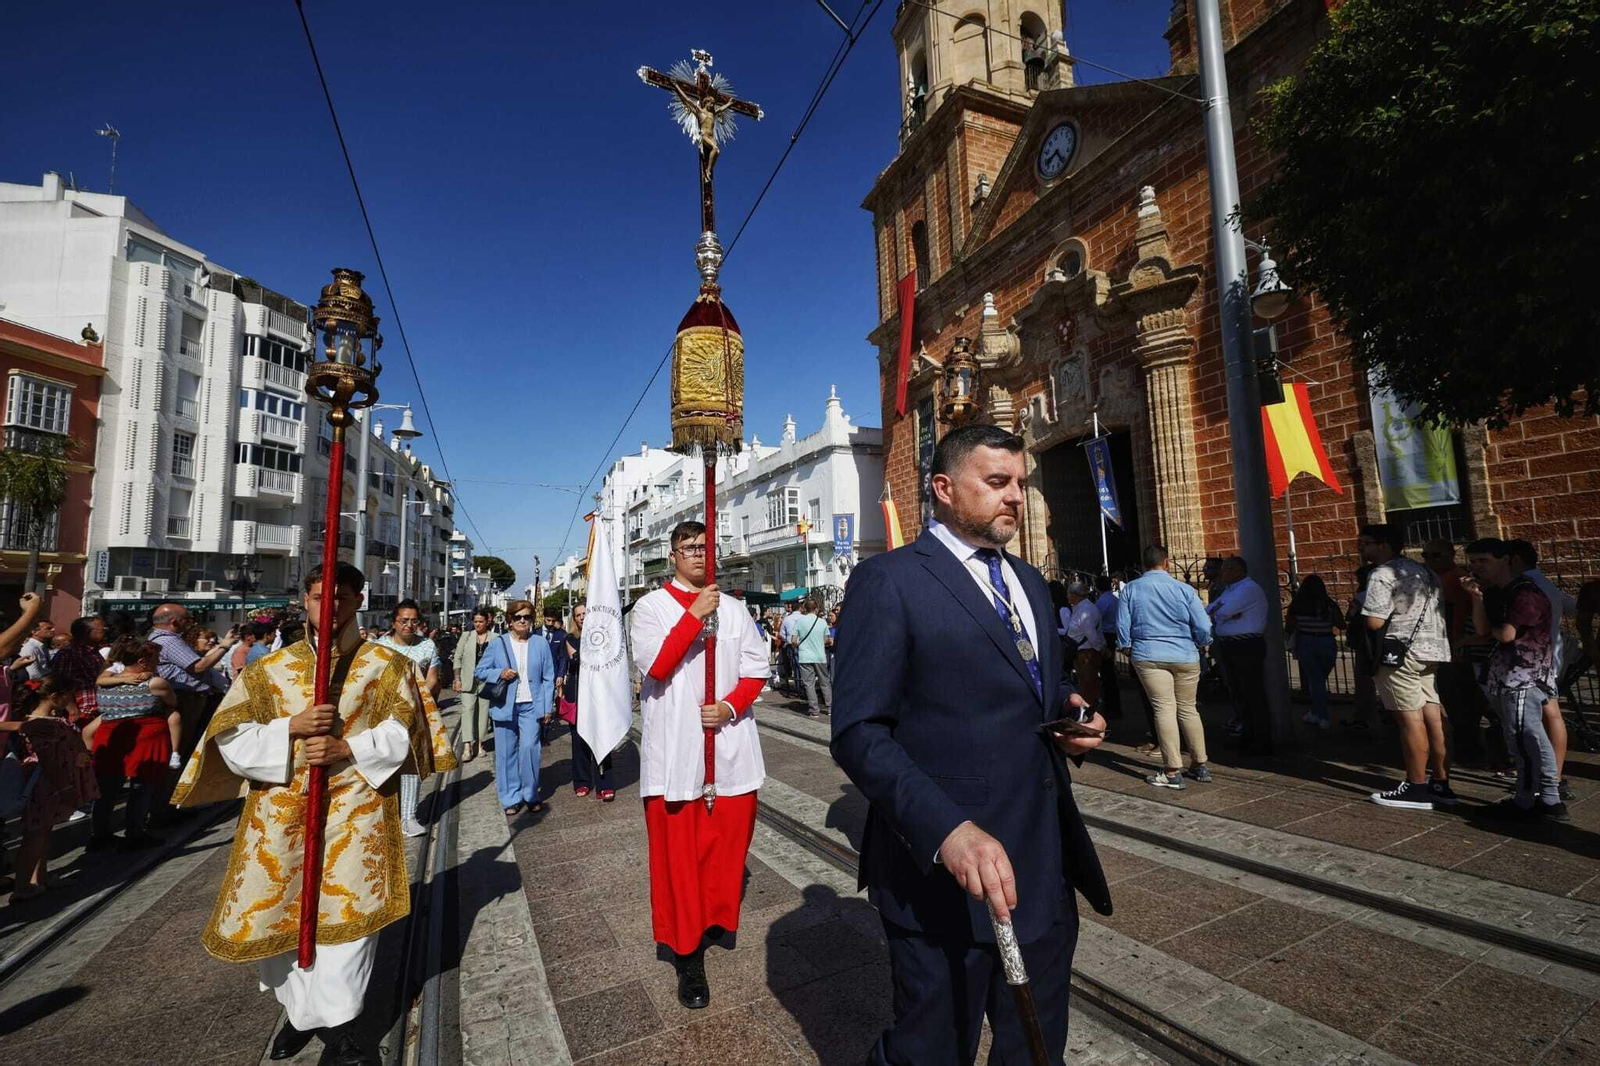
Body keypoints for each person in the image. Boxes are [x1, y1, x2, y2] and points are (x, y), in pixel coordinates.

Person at [831, 424, 1111, 1065]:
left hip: (1040, 866)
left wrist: (1069, 709)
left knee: (1036, 1052)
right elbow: (858, 733)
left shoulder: (1031, 582)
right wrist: (947, 830)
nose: (1014, 496)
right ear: (944, 489)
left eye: (1020, 483)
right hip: (942, 877)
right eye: (996, 482)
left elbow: (1032, 679)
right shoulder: (890, 582)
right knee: (930, 1051)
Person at [171, 562, 452, 1066]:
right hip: (281, 813)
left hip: (357, 811)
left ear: (360, 600)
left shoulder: (387, 666)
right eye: (322, 596)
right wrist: (290, 728)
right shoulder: (268, 671)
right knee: (285, 917)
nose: (333, 605)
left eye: (344, 596)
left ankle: (342, 1029)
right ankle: (302, 1017)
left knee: (351, 924)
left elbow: (403, 731)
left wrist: (348, 747)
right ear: (306, 600)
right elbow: (228, 739)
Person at [629, 520, 769, 1010]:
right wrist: (693, 615)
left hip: (728, 748)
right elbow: (658, 665)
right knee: (679, 862)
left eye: (705, 547)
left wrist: (730, 706)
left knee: (725, 852)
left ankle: (713, 920)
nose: (697, 555)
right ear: (672, 555)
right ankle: (687, 956)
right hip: (677, 754)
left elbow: (756, 666)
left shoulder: (734, 609)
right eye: (688, 547)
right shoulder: (648, 608)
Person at [1464, 539, 1567, 822]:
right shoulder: (1497, 592)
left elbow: (1507, 634)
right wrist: (1476, 598)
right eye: (1472, 561)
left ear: (1505, 560)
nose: (1475, 567)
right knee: (1518, 737)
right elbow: (1485, 630)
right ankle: (1530, 798)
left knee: (1528, 737)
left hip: (1525, 676)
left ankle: (1548, 799)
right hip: (1506, 676)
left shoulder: (1525, 593)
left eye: (1483, 560)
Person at [1360, 523, 1455, 811]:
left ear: (1384, 545)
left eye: (1366, 543)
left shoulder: (1382, 574)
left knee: (1409, 720)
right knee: (1433, 717)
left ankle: (1415, 787)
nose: (1361, 549)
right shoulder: (1425, 571)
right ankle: (1441, 782)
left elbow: (1375, 621)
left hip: (1400, 653)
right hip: (1433, 649)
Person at [1118, 545, 1214, 788]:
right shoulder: (1184, 589)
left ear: (1143, 564)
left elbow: (1122, 625)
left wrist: (1125, 646)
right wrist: (1202, 643)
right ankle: (1200, 764)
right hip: (1184, 653)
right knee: (1188, 709)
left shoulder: (1131, 589)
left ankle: (1172, 770)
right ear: (1168, 562)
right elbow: (1203, 625)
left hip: (1148, 652)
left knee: (1163, 709)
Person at [2, 677, 97, 900]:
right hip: (46, 785)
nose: (71, 701)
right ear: (54, 697)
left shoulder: (46, 720)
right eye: (68, 696)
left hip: (50, 784)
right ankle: (22, 886)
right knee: (35, 836)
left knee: (43, 833)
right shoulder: (41, 724)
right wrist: (65, 787)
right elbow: (48, 761)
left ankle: (39, 878)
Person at [84, 638, 180, 848]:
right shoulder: (155, 684)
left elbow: (103, 682)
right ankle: (134, 832)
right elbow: (172, 702)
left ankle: (99, 834)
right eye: (155, 658)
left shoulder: (106, 682)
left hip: (111, 734)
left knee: (107, 787)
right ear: (142, 661)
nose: (158, 662)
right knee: (141, 785)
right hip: (145, 735)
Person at [1509, 539, 1577, 800]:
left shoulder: (1524, 586)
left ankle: (1546, 780)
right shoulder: (1546, 584)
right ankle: (1554, 776)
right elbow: (1573, 607)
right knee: (1552, 714)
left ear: (1513, 560)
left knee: (1539, 720)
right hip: (1551, 657)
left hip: (1534, 660)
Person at [475, 600, 555, 816]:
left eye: (527, 617)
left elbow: (548, 677)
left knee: (530, 748)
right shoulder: (497, 643)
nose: (522, 621)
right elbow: (480, 671)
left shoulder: (540, 643)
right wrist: (499, 673)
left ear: (531, 620)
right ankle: (511, 797)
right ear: (510, 620)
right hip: (504, 705)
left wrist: (547, 707)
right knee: (505, 753)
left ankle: (530, 794)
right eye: (518, 617)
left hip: (531, 705)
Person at [375, 600, 441, 838]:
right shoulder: (379, 647)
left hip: (416, 712)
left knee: (412, 763)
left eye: (414, 621)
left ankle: (409, 817)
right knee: (386, 762)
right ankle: (386, 813)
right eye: (404, 620)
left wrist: (419, 703)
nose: (409, 625)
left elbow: (432, 678)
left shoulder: (427, 645)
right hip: (385, 715)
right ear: (394, 622)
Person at [147, 603, 236, 762]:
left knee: (184, 744)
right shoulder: (169, 641)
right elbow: (198, 666)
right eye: (187, 619)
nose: (191, 623)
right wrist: (224, 647)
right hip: (184, 698)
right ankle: (172, 783)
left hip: (187, 696)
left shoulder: (165, 639)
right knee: (182, 746)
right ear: (174, 622)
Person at [1208, 556, 1272, 754]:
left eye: (1227, 569)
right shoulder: (1230, 590)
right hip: (1231, 645)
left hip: (1246, 645)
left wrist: (1221, 614)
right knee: (1239, 693)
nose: (1222, 573)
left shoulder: (1247, 589)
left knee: (1252, 692)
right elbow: (1210, 609)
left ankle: (1261, 740)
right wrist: (1220, 614)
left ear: (1238, 571)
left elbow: (1223, 612)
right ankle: (1247, 734)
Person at [567, 604, 614, 799]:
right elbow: (576, 660)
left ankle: (605, 784)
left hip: (600, 694)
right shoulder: (570, 639)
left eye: (585, 613)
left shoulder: (604, 637)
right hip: (579, 695)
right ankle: (582, 781)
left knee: (603, 738)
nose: (582, 617)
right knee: (579, 742)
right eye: (578, 615)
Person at [1285, 575, 1344, 729]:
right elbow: (1341, 624)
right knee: (1319, 680)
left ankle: (1320, 714)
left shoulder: (1298, 605)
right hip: (1326, 641)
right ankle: (1317, 713)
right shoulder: (1328, 605)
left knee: (1315, 680)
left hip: (1306, 642)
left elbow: (1289, 626)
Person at [453, 609, 493, 762]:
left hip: (486, 681)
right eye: (475, 622)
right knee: (467, 710)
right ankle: (467, 746)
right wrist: (457, 679)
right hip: (468, 681)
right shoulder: (466, 636)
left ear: (486, 622)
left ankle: (481, 744)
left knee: (483, 713)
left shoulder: (495, 638)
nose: (477, 624)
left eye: (480, 622)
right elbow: (457, 657)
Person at [51, 615, 108, 722]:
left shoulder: (94, 653)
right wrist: (73, 710)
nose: (105, 631)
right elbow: (61, 684)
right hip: (81, 712)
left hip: (96, 709)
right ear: (86, 632)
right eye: (102, 629)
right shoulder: (68, 654)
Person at [1062, 580, 1104, 707]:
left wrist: (1099, 649)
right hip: (1081, 653)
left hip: (1086, 654)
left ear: (1075, 595)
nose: (1067, 596)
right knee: (1085, 684)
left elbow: (1091, 634)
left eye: (1068, 593)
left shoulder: (1085, 610)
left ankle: (1090, 712)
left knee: (1088, 687)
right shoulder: (1079, 608)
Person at [790, 597, 832, 718]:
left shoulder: (799, 621)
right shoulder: (822, 622)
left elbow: (793, 640)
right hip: (820, 656)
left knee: (809, 684)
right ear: (816, 609)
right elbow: (826, 640)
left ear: (805, 609)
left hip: (805, 656)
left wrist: (799, 644)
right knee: (825, 682)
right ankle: (830, 708)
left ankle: (814, 709)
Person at [1093, 575, 1122, 718]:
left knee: (1107, 673)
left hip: (1106, 635)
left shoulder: (1103, 601)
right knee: (1109, 671)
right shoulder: (1115, 599)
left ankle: (1111, 706)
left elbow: (1095, 618)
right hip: (1113, 633)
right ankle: (1113, 705)